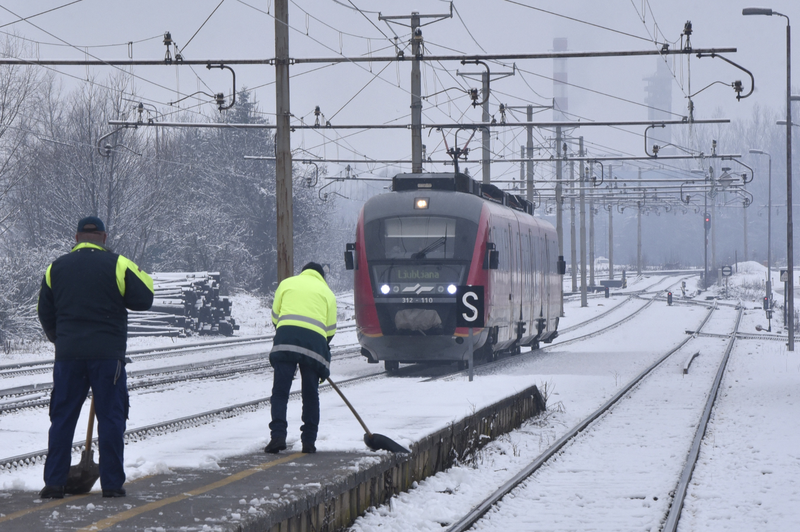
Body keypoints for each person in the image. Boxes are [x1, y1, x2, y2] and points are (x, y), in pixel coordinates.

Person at [37, 216, 154, 499]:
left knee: (62, 418)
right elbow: (145, 297)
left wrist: (62, 341)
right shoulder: (118, 263)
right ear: (103, 237)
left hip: (69, 358)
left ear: (76, 238)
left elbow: (45, 312)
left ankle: (54, 483)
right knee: (111, 419)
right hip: (107, 357)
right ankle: (112, 485)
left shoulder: (55, 268)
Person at [265, 262, 337, 454]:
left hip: (286, 338)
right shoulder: (327, 293)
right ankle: (309, 441)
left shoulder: (287, 283)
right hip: (314, 345)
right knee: (310, 393)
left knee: (280, 392)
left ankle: (278, 436)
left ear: (303, 272)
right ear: (322, 276)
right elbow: (330, 331)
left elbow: (275, 317)